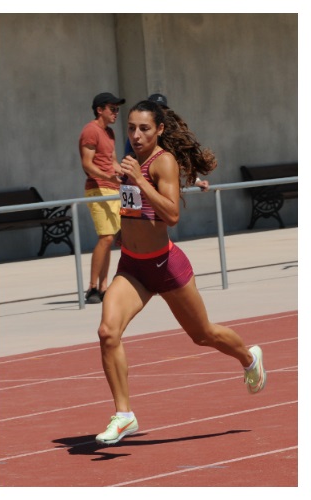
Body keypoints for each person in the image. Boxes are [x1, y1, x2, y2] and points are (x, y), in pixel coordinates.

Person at [93, 100, 266, 446]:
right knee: (107, 332)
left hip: (165, 265)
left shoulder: (163, 162)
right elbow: (132, 210)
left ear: (159, 130)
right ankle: (124, 415)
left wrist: (140, 182)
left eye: (144, 128)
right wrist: (119, 178)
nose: (136, 134)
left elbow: (172, 215)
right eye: (131, 128)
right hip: (132, 267)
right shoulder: (130, 163)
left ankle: (249, 357)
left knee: (203, 335)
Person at [79, 92, 125, 304]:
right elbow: (87, 164)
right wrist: (108, 177)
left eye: (117, 109)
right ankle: (91, 288)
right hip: (97, 189)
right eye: (112, 108)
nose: (116, 113)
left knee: (111, 239)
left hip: (113, 189)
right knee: (105, 237)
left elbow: (113, 162)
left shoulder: (109, 133)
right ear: (100, 110)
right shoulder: (91, 131)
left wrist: (125, 176)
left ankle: (104, 286)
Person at [124, 93, 210, 192]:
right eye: (131, 128)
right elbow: (128, 161)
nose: (136, 135)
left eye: (162, 109)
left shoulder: (168, 153)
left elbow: (184, 159)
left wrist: (197, 181)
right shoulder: (136, 137)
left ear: (160, 128)